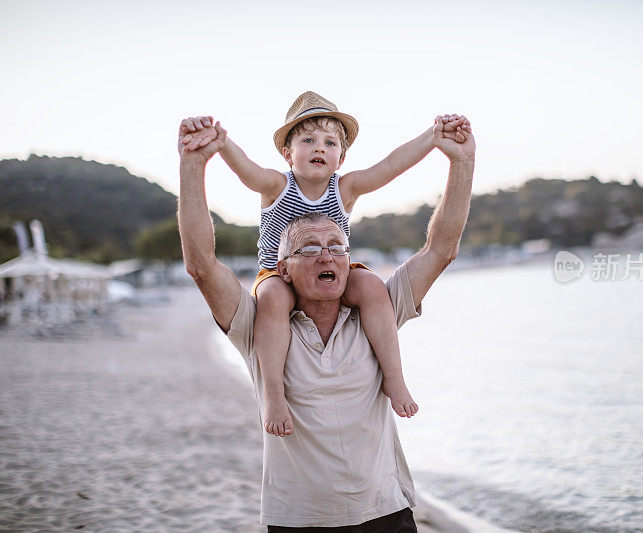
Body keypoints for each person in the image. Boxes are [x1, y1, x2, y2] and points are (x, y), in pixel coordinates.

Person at [177, 110, 475, 530]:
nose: (326, 255)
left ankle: (397, 378)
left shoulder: (376, 315)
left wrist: (457, 159)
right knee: (274, 299)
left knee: (370, 284)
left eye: (337, 245)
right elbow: (202, 267)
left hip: (385, 511)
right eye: (309, 248)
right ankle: (274, 394)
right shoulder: (262, 326)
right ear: (285, 265)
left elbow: (440, 248)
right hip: (299, 519)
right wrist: (196, 163)